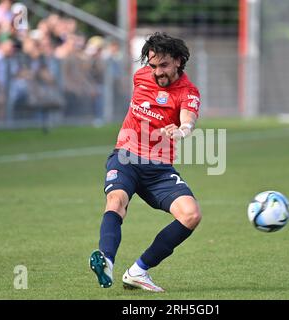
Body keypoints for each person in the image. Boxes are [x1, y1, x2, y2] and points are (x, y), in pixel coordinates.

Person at [89, 32, 202, 292]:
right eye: (152, 65)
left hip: (159, 168)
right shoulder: (140, 76)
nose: (157, 72)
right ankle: (105, 260)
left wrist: (182, 130)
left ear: (177, 61)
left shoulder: (188, 92)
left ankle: (138, 271)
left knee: (191, 214)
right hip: (125, 156)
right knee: (116, 202)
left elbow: (188, 120)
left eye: (163, 66)